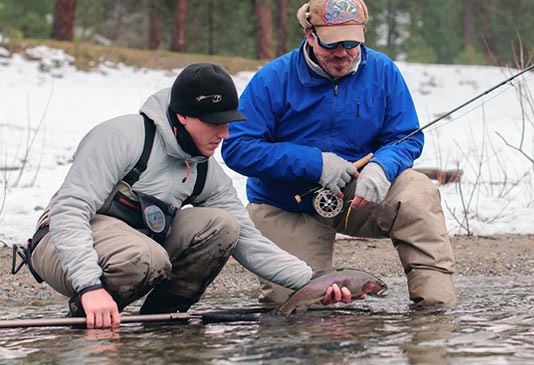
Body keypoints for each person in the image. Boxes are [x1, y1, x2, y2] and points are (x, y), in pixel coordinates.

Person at [28, 63, 351, 329]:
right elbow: (70, 212)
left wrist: (314, 281)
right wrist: (90, 288)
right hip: (60, 245)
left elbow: (249, 241)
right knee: (143, 258)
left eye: (229, 122)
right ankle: (88, 318)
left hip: (135, 247)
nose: (224, 134)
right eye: (214, 123)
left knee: (223, 224)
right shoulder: (122, 137)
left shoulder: (205, 170)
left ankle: (163, 325)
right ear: (182, 116)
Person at [221, 0, 458, 307]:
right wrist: (314, 163)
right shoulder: (273, 79)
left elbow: (406, 138)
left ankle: (435, 317)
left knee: (417, 192)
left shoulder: (383, 72)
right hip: (287, 205)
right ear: (309, 34)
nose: (343, 53)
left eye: (352, 42)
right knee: (291, 309)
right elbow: (238, 148)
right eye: (332, 43)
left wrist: (383, 167)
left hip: (358, 194)